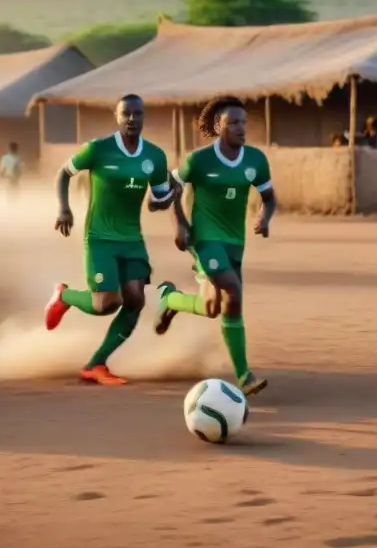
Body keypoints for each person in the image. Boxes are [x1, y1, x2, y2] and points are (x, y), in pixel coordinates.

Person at [43, 94, 175, 385]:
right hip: (100, 237)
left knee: (135, 300)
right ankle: (63, 296)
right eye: (126, 114)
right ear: (117, 117)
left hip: (132, 239)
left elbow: (159, 198)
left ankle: (96, 364)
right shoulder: (97, 149)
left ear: (144, 117)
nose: (132, 119)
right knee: (106, 303)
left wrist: (166, 199)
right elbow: (63, 174)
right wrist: (64, 209)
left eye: (137, 114)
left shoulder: (155, 156)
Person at [155, 95, 276, 397]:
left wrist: (264, 216)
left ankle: (169, 299)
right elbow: (170, 188)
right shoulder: (199, 160)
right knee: (233, 291)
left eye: (244, 122)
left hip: (236, 242)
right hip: (205, 240)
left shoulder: (255, 160)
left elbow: (269, 197)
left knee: (212, 308)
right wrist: (180, 224)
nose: (241, 127)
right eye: (233, 122)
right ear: (218, 125)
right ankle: (244, 375)